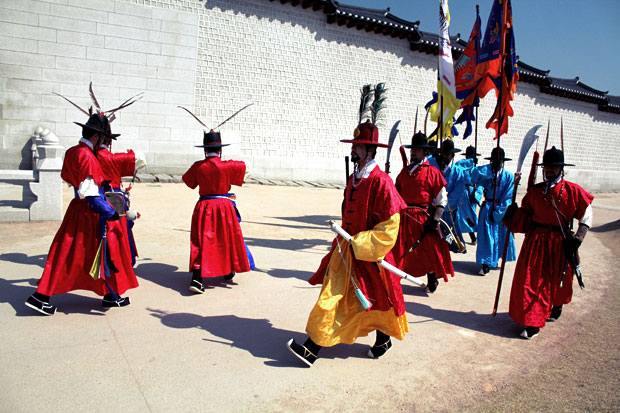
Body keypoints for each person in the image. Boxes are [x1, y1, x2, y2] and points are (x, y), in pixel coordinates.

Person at [287, 88, 408, 366]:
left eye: (357, 146)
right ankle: (314, 347)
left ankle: (317, 347)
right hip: (345, 250)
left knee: (374, 300)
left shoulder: (382, 182)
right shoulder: (356, 177)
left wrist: (361, 243)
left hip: (367, 253)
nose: (353, 149)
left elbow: (390, 227)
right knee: (334, 295)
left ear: (369, 150)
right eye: (353, 145)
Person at [25, 114, 139, 315]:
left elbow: (70, 179)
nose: (104, 143)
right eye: (103, 139)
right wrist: (111, 213)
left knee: (73, 252)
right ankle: (41, 296)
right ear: (96, 137)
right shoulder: (87, 156)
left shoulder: (72, 151)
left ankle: (111, 295)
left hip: (77, 208)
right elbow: (92, 195)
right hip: (90, 214)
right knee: (99, 252)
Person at [503, 147, 593, 339]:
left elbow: (586, 216)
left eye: (554, 166)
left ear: (561, 169)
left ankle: (556, 304)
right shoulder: (535, 192)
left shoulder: (573, 191)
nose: (549, 170)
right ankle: (533, 322)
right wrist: (512, 214)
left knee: (557, 281)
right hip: (535, 243)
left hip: (560, 243)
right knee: (532, 281)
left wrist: (578, 239)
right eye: (547, 167)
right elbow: (525, 219)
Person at [182, 128, 254, 294]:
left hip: (204, 206)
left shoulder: (198, 166)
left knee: (200, 241)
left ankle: (197, 278)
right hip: (224, 207)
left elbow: (188, 181)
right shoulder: (228, 165)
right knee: (226, 238)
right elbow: (247, 167)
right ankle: (228, 270)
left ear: (205, 149)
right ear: (220, 149)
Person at [392, 132, 454, 293]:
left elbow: (442, 199)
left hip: (423, 219)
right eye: (412, 149)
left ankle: (432, 279)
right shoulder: (405, 172)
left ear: (425, 152)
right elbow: (395, 193)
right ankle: (394, 280)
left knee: (427, 252)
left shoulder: (433, 172)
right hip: (404, 218)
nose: (413, 152)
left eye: (417, 150)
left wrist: (435, 219)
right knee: (399, 251)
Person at [97, 136, 147, 266]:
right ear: (109, 141)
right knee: (118, 229)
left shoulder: (90, 156)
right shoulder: (114, 158)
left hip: (94, 197)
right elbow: (140, 157)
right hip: (115, 198)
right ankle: (121, 260)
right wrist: (129, 154)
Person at [470, 147, 516, 275]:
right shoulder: (487, 174)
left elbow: (508, 197)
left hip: (501, 209)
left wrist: (498, 213)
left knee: (499, 236)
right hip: (487, 207)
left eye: (499, 161)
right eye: (494, 161)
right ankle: (485, 263)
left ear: (503, 161)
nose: (496, 163)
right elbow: (476, 180)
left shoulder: (508, 177)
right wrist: (477, 196)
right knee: (486, 237)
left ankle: (495, 259)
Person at [428, 139, 469, 251]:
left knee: (446, 241)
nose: (444, 156)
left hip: (447, 211)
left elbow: (457, 194)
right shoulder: (434, 166)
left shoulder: (458, 172)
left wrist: (440, 206)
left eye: (447, 154)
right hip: (431, 210)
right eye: (443, 153)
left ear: (452, 155)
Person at [456, 146, 484, 245]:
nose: (470, 157)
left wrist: (477, 195)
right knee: (462, 215)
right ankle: (463, 237)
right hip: (463, 193)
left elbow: (481, 183)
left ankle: (474, 236)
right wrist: (470, 161)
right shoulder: (462, 165)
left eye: (472, 156)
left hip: (473, 193)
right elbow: (457, 166)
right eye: (469, 156)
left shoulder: (476, 168)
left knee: (471, 215)